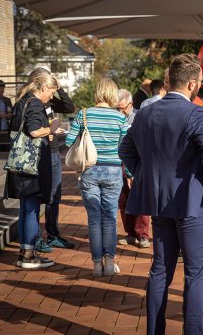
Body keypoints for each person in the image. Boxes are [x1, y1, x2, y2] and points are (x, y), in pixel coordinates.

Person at [119, 53, 203, 335]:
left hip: (160, 203)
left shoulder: (146, 112)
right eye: (199, 81)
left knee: (160, 270)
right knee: (195, 276)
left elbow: (125, 150)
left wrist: (148, 174)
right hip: (191, 202)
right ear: (191, 84)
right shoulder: (195, 112)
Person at [66, 78, 129, 276]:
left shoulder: (83, 114)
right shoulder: (120, 118)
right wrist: (130, 173)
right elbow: (126, 148)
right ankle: (110, 263)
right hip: (112, 171)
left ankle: (96, 265)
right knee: (109, 217)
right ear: (113, 94)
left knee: (94, 218)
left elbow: (69, 141)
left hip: (89, 170)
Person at [5, 73, 60, 269]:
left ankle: (25, 252)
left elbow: (28, 131)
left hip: (21, 165)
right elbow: (35, 131)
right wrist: (52, 128)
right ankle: (28, 255)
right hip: (32, 167)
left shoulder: (23, 101)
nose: (51, 97)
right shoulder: (35, 103)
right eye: (52, 92)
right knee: (32, 209)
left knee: (25, 208)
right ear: (44, 88)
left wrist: (47, 134)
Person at [26, 67, 76, 253]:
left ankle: (53, 234)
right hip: (39, 153)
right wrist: (47, 132)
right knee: (41, 196)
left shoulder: (50, 100)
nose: (52, 93)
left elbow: (69, 107)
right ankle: (37, 237)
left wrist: (60, 88)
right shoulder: (32, 101)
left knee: (55, 195)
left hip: (53, 152)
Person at [116, 89, 150, 248]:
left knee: (141, 199)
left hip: (137, 164)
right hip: (119, 163)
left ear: (130, 104)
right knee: (123, 201)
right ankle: (130, 233)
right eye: (117, 108)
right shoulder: (115, 118)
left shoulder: (139, 117)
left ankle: (143, 235)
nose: (120, 111)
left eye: (123, 108)